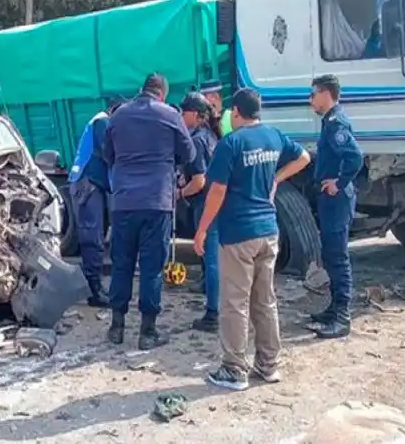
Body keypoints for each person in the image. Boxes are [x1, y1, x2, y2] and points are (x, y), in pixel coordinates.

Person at [194, 88, 310, 390]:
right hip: (268, 232)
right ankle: (269, 365)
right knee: (265, 300)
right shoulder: (273, 136)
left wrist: (203, 229)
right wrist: (276, 178)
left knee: (234, 303)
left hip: (238, 235)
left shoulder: (231, 143)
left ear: (237, 112)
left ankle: (234, 370)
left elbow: (217, 191)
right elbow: (304, 157)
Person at [104, 74, 196, 350]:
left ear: (141, 90)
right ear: (162, 94)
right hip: (156, 202)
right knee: (151, 268)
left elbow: (108, 155)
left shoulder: (118, 116)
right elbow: (189, 155)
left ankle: (116, 327)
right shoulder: (169, 115)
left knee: (121, 264)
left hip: (123, 203)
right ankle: (147, 332)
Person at [308, 74, 364, 339]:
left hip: (337, 200)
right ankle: (334, 307)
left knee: (338, 255)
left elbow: (354, 157)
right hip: (330, 199)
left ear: (326, 93)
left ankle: (342, 317)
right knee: (330, 253)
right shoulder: (329, 121)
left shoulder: (335, 122)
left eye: (313, 95)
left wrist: (338, 183)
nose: (310, 101)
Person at [68, 98, 124, 308]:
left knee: (97, 237)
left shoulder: (102, 121)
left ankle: (93, 287)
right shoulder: (102, 122)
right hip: (87, 185)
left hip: (92, 185)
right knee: (93, 239)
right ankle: (93, 292)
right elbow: (109, 153)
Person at [177, 93, 222, 332]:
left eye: (183, 113)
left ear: (195, 114)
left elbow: (199, 181)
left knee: (212, 259)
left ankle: (213, 314)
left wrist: (180, 193)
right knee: (213, 259)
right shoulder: (211, 136)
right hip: (215, 203)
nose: (181, 117)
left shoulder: (196, 140)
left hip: (205, 204)